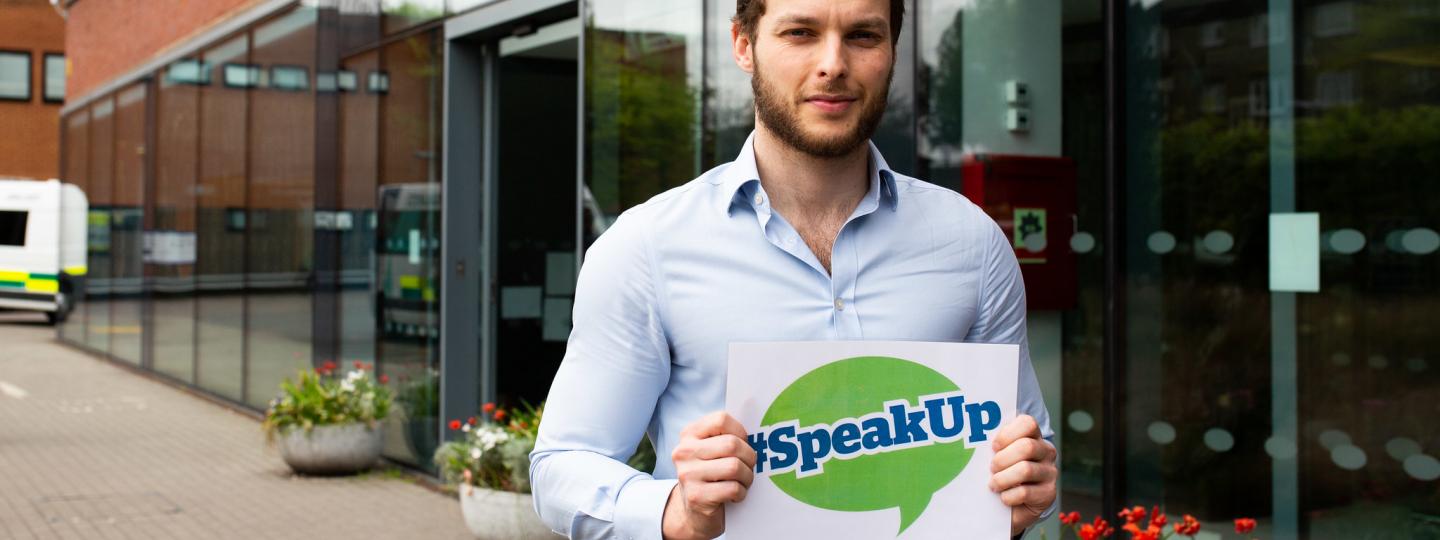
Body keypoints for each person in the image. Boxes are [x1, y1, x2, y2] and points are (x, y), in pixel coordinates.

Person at [530, 0, 1057, 538]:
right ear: (743, 44)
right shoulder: (646, 248)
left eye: (863, 36)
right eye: (800, 33)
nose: (833, 63)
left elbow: (1026, 445)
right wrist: (676, 512)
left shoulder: (971, 243)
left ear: (892, 51)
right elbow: (563, 467)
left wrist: (1021, 493)